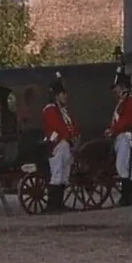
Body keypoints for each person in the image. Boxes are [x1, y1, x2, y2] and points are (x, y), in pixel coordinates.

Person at [104, 66, 132, 207]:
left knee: (124, 167)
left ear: (123, 88)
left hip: (128, 137)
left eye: (117, 88)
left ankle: (127, 197)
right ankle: (127, 197)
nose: (115, 91)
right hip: (121, 137)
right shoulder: (122, 103)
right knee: (122, 166)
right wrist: (111, 129)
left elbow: (128, 121)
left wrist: (113, 130)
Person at [41, 72, 78, 214]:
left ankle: (59, 204)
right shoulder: (50, 109)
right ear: (57, 95)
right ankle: (52, 205)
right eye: (63, 94)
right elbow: (57, 126)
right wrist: (70, 136)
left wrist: (75, 135)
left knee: (64, 175)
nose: (65, 96)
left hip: (65, 144)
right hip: (57, 145)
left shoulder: (62, 110)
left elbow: (71, 125)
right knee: (57, 174)